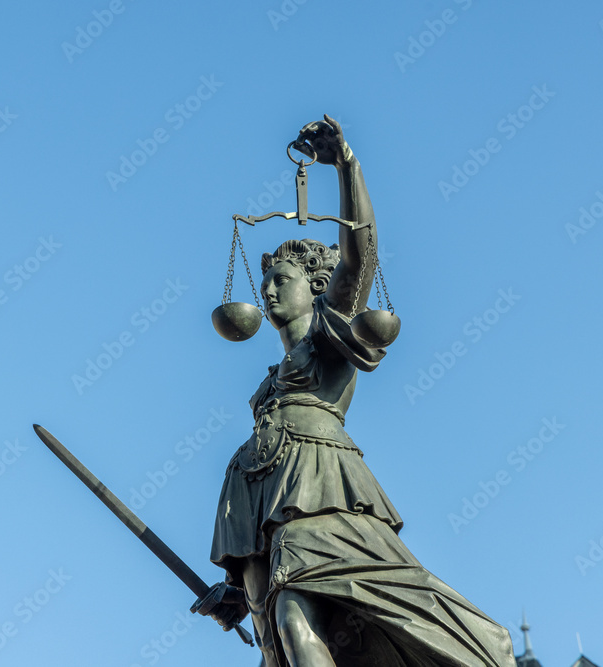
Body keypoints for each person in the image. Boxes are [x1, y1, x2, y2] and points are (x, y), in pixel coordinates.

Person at [191, 116, 517, 667]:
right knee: (274, 640)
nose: (268, 290)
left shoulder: (329, 332)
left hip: (318, 486)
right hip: (255, 500)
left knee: (293, 614)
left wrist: (346, 167)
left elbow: (360, 257)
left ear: (315, 286)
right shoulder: (271, 380)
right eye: (265, 281)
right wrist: (233, 588)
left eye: (281, 279)